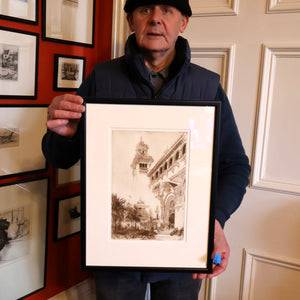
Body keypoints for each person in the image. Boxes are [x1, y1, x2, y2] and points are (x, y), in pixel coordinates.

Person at [42, 0, 251, 299]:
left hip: (184, 252)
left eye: (167, 10)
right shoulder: (101, 79)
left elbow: (235, 166)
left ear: (183, 23)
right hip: (114, 256)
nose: (155, 19)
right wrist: (63, 134)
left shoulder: (207, 86)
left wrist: (215, 221)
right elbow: (58, 159)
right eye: (144, 10)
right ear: (130, 21)